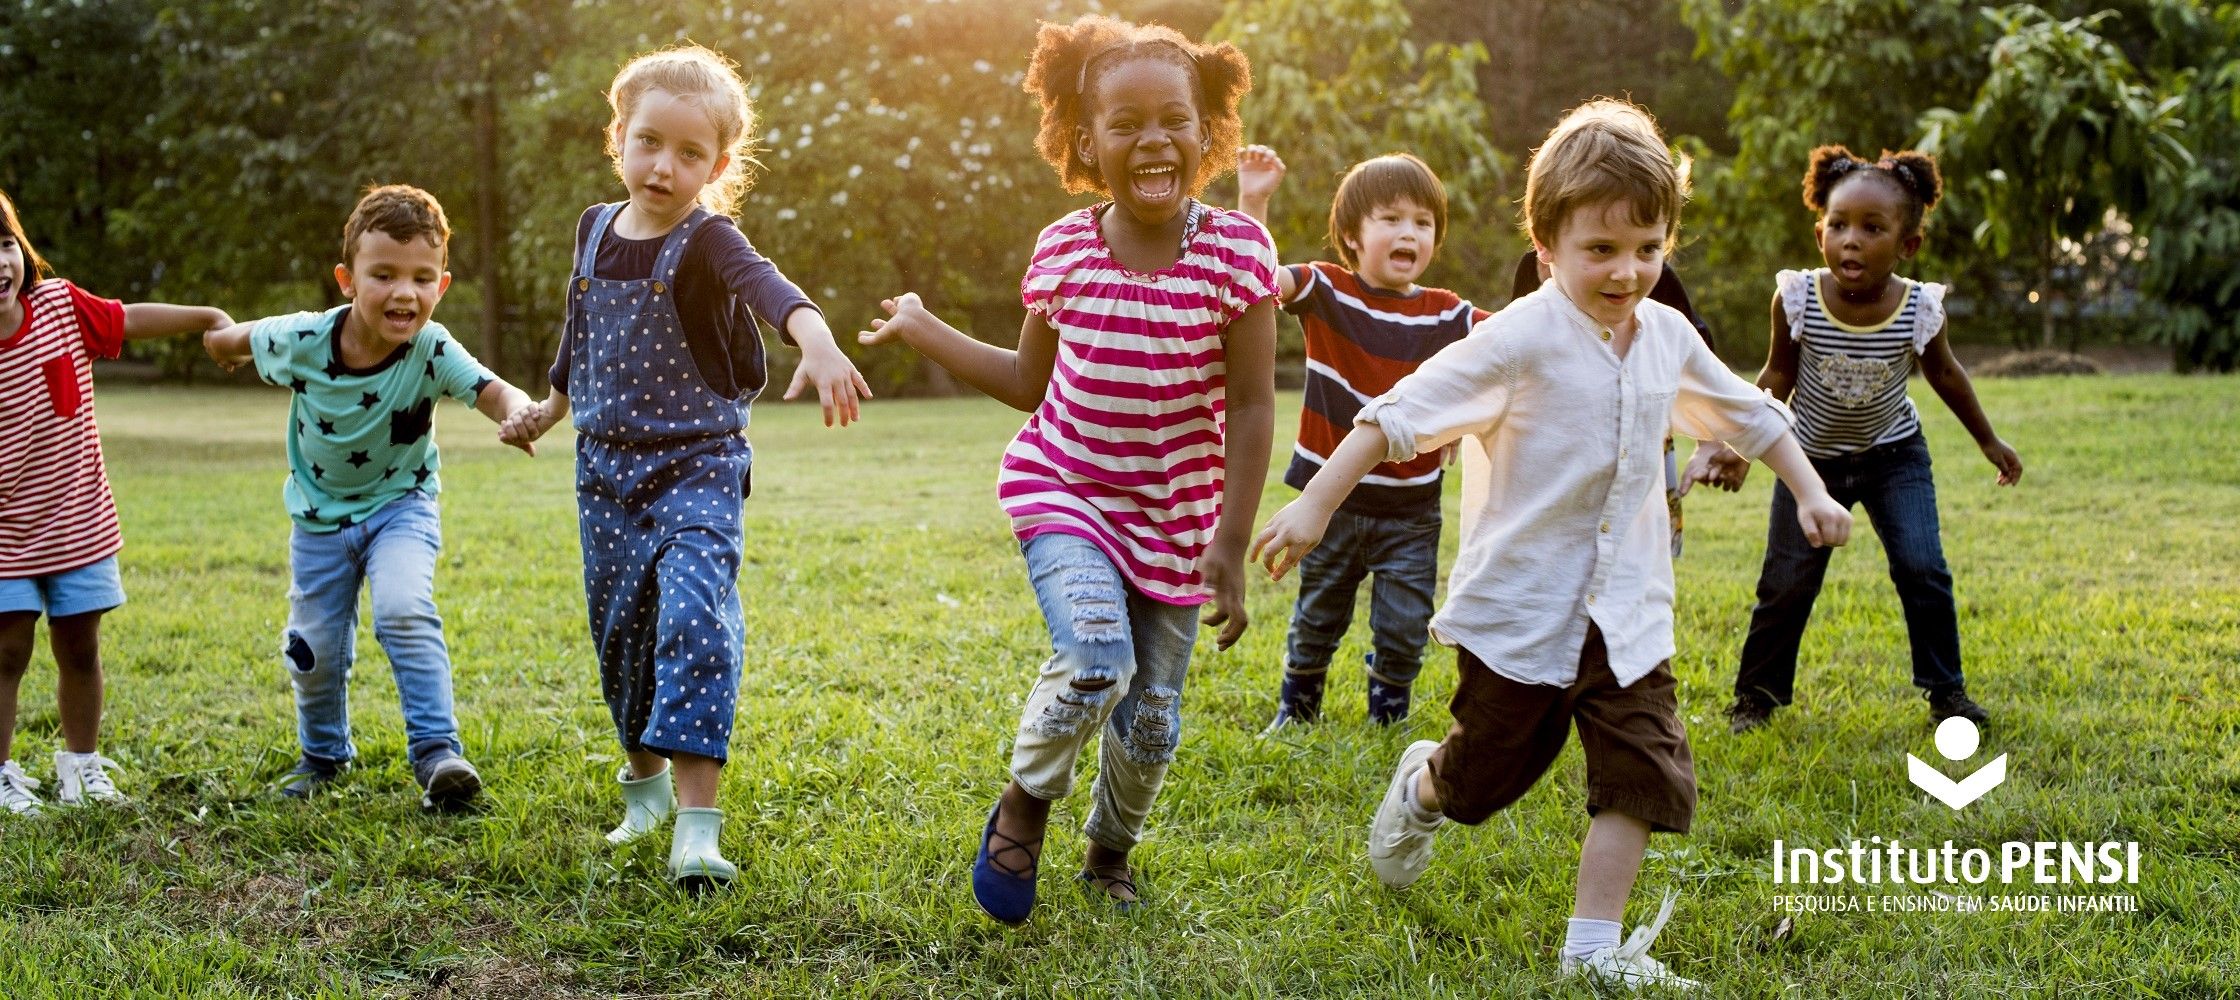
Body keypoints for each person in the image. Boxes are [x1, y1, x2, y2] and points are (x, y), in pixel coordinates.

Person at [1252, 100, 1853, 990]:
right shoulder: (1515, 340)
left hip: (1628, 611)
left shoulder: (1669, 338)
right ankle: (1426, 786)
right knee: (1484, 780)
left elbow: (1747, 414)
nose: (1628, 271)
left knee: (1643, 770)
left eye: (1648, 248)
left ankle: (1591, 952)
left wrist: (1810, 490)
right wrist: (1313, 510)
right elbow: (1395, 419)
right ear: (1547, 248)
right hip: (1525, 612)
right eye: (1601, 251)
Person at [857, 14, 1274, 924]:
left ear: (1207, 132)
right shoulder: (1063, 250)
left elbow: (1250, 408)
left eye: (1175, 119)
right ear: (1088, 142)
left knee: (1153, 720)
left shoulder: (1239, 256)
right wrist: (926, 326)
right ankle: (1026, 804)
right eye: (1126, 125)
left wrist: (1230, 542)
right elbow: (1024, 381)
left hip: (1176, 517)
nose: (1153, 139)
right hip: (1068, 489)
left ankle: (1109, 853)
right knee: (1094, 660)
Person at [497, 44, 870, 890]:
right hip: (603, 476)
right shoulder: (594, 228)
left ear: (719, 164)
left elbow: (772, 289)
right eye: (650, 142)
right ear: (618, 137)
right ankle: (646, 797)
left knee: (694, 617)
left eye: (690, 153)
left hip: (698, 464)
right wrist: (548, 411)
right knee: (622, 631)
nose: (665, 166)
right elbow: (578, 337)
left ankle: (698, 829)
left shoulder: (710, 240)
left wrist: (816, 337)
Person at [204, 184, 535, 810]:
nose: (403, 292)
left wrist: (518, 414)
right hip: (319, 521)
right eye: (382, 274)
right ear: (347, 280)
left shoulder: (432, 348)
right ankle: (323, 755)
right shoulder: (304, 339)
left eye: (421, 277)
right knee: (314, 649)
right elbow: (234, 339)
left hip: (401, 509)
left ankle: (438, 754)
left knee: (406, 609)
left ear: (441, 285)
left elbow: (494, 391)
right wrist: (219, 343)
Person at [1706, 145, 2021, 735]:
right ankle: (1756, 698)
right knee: (1786, 581)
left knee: (1923, 567)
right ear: (1819, 230)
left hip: (1894, 457)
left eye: (1873, 229)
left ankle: (1946, 693)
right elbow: (1776, 376)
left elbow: (1946, 374)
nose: (1852, 240)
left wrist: (1988, 440)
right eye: (1839, 225)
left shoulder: (1917, 307)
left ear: (1907, 246)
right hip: (1810, 464)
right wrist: (1740, 447)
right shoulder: (1797, 297)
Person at [1234, 145, 1486, 729]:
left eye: (1423, 223)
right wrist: (1254, 200)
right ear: (1352, 236)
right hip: (1330, 507)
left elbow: (1512, 346)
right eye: (1392, 219)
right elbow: (1253, 281)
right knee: (1318, 615)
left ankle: (1388, 715)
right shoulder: (1326, 290)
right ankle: (1297, 712)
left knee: (1403, 624)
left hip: (1411, 512)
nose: (1410, 233)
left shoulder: (1448, 315)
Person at [0, 186, 233, 816]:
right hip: (3, 538)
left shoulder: (58, 306)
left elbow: (128, 318)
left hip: (76, 520)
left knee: (81, 646)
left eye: (3, 245)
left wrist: (206, 315)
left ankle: (80, 766)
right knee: (6, 651)